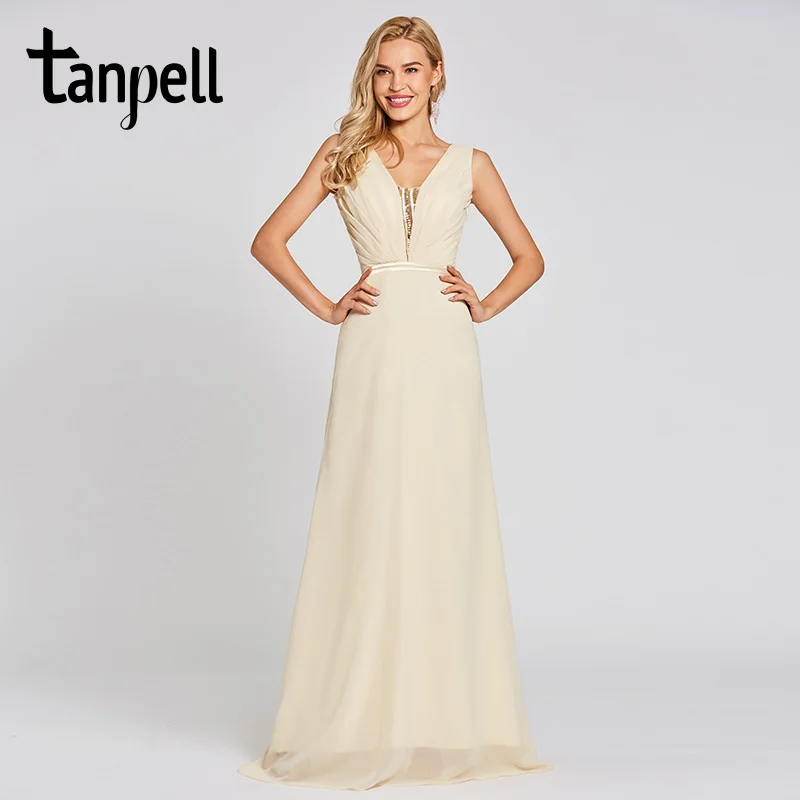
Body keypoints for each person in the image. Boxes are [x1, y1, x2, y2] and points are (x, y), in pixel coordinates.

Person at [237, 15, 552, 791]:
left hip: (444, 354)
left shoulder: (470, 164)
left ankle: (442, 720)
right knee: (367, 507)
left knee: (444, 517)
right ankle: (356, 717)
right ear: (370, 79)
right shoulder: (342, 154)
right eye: (384, 71)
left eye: (412, 69)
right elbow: (269, 239)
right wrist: (326, 305)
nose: (397, 84)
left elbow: (529, 257)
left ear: (437, 75)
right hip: (373, 349)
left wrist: (484, 304)